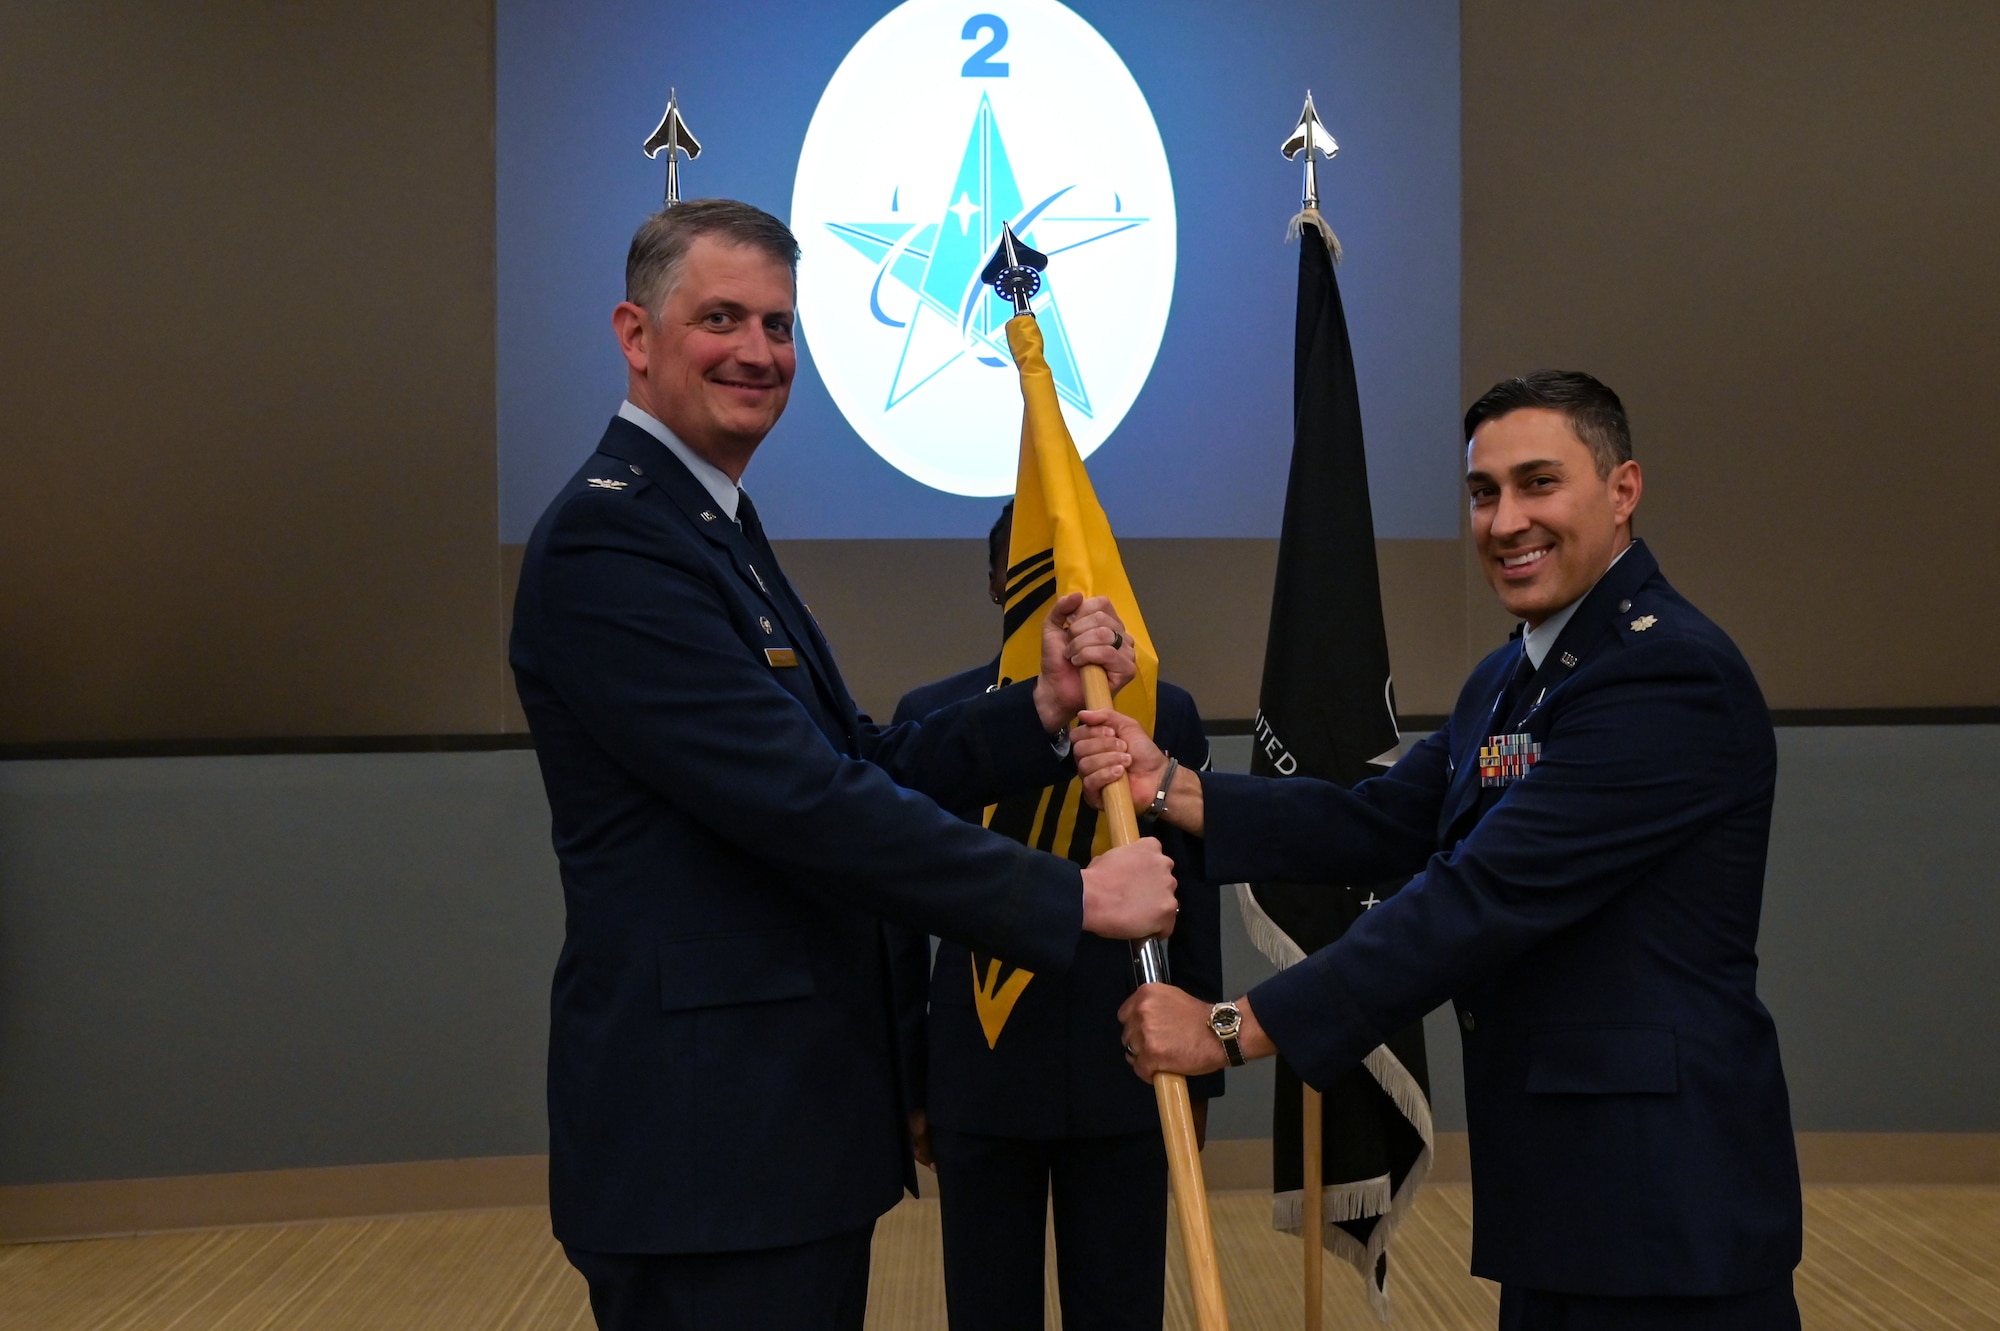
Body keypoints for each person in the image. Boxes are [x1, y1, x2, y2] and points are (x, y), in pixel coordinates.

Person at [508, 199, 1180, 1331]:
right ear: (635, 334)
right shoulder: (611, 539)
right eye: (721, 318)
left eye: (778, 324)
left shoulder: (710, 526)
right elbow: (804, 801)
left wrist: (1041, 708)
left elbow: (854, 755)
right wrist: (1067, 894)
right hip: (708, 1145)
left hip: (779, 1133)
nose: (759, 352)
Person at [1078, 371, 1803, 1329]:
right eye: (1483, 492)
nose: (1506, 521)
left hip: (1666, 1206)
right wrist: (1170, 786)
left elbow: (1477, 899)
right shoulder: (1509, 675)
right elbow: (1379, 820)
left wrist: (1230, 1028)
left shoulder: (1667, 673)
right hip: (1565, 1197)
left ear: (1623, 490)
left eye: (1539, 483)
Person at [891, 504, 1225, 1331]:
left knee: (1122, 1307)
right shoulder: (929, 717)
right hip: (979, 1067)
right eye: (1033, 581)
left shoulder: (1164, 711)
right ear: (999, 585)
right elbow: (896, 911)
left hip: (1126, 1064)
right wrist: (910, 1074)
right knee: (987, 1306)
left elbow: (1194, 889)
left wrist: (1205, 1057)